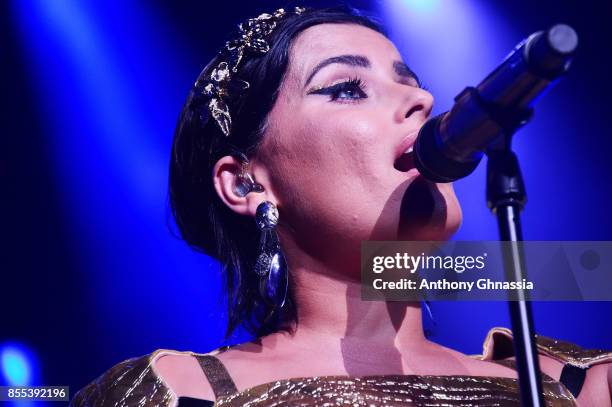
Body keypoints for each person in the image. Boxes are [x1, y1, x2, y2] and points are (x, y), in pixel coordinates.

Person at [70, 6, 612, 407]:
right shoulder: (177, 394)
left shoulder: (577, 386)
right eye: (348, 88)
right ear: (245, 184)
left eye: (413, 85)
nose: (422, 102)